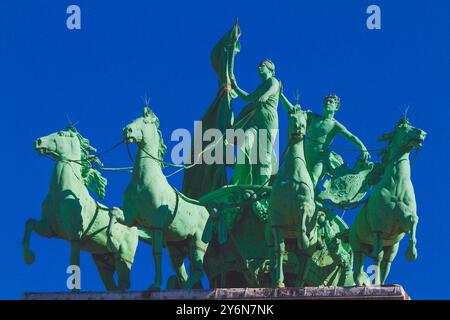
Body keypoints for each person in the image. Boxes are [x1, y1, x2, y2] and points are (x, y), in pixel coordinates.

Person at [279, 89, 370, 188]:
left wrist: (362, 147)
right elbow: (294, 111)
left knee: (314, 176)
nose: (328, 103)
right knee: (298, 179)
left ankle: (306, 200)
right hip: (306, 155)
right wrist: (281, 95)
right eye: (326, 101)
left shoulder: (335, 125)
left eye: (331, 102)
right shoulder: (313, 117)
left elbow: (351, 137)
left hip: (321, 158)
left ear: (336, 108)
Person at [230, 59, 280, 185]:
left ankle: (263, 185)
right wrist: (235, 86)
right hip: (255, 124)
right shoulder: (260, 87)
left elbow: (275, 88)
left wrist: (266, 95)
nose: (259, 68)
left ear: (270, 69)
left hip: (268, 122)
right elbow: (247, 98)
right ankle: (238, 180)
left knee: (265, 157)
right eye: (258, 66)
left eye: (262, 66)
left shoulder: (272, 81)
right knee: (244, 144)